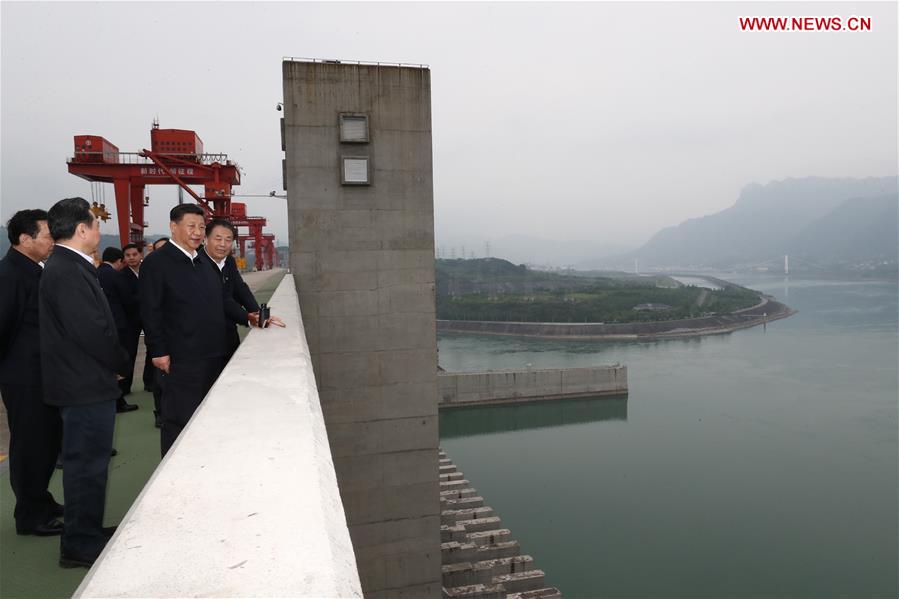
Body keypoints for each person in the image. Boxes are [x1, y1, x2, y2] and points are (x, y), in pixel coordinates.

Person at [40, 197, 129, 568]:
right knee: (85, 468)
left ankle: (87, 532)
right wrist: (120, 363)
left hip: (84, 383)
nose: (98, 230)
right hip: (84, 386)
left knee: (90, 466)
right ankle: (78, 546)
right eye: (95, 224)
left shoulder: (68, 266)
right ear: (81, 229)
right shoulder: (66, 270)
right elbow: (91, 331)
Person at [140, 205, 241, 455]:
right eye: (191, 226)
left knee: (207, 416)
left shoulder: (203, 263)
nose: (197, 232)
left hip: (212, 354)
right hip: (181, 358)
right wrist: (159, 351)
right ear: (174, 227)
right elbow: (150, 310)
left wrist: (252, 318)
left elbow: (223, 301)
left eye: (201, 227)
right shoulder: (157, 263)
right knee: (179, 420)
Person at [0, 209, 64, 536]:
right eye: (47, 235)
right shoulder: (10, 274)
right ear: (25, 239)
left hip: (42, 373)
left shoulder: (33, 270)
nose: (52, 241)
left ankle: (41, 498)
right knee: (29, 446)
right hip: (24, 376)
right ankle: (29, 515)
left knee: (47, 442)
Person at [201, 219, 284, 360]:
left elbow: (240, 289)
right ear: (205, 239)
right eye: (218, 238)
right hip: (204, 339)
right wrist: (248, 318)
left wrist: (259, 314)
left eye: (228, 240)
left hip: (228, 333)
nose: (223, 244)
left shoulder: (229, 261)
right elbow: (222, 299)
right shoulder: (197, 264)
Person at [97, 247, 138, 413]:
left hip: (103, 324)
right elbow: (127, 300)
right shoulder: (115, 276)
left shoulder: (96, 272)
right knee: (121, 360)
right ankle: (119, 398)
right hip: (119, 324)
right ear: (119, 261)